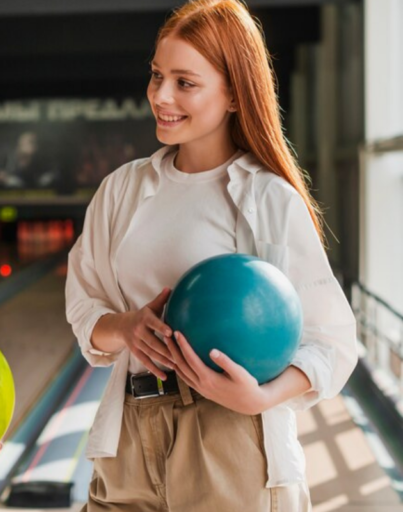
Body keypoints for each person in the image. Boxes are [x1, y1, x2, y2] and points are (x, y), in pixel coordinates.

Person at [65, 1, 357, 510]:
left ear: (234, 95)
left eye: (185, 82)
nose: (160, 95)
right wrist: (126, 326)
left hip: (230, 436)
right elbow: (83, 304)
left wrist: (261, 398)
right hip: (128, 435)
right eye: (157, 76)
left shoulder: (268, 199)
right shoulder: (121, 190)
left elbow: (332, 341)